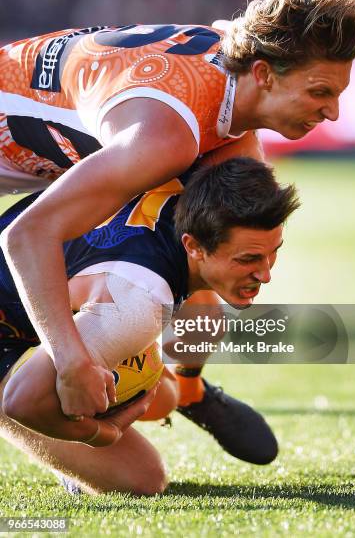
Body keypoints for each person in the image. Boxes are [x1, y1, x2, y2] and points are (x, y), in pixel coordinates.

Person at [0, 0, 355, 418]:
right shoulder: (166, 139)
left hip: (77, 137)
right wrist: (71, 364)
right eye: (319, 93)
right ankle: (42, 397)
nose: (333, 114)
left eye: (337, 95)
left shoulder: (236, 65)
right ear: (265, 75)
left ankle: (186, 389)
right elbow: (27, 235)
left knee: (216, 265)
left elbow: (226, 29)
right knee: (136, 305)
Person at [0, 157, 299, 493]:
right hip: (18, 323)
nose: (266, 274)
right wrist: (100, 433)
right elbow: (23, 400)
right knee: (142, 479)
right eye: (248, 259)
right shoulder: (140, 303)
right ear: (193, 245)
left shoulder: (183, 175)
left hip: (51, 281)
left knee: (169, 382)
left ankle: (189, 392)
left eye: (273, 252)